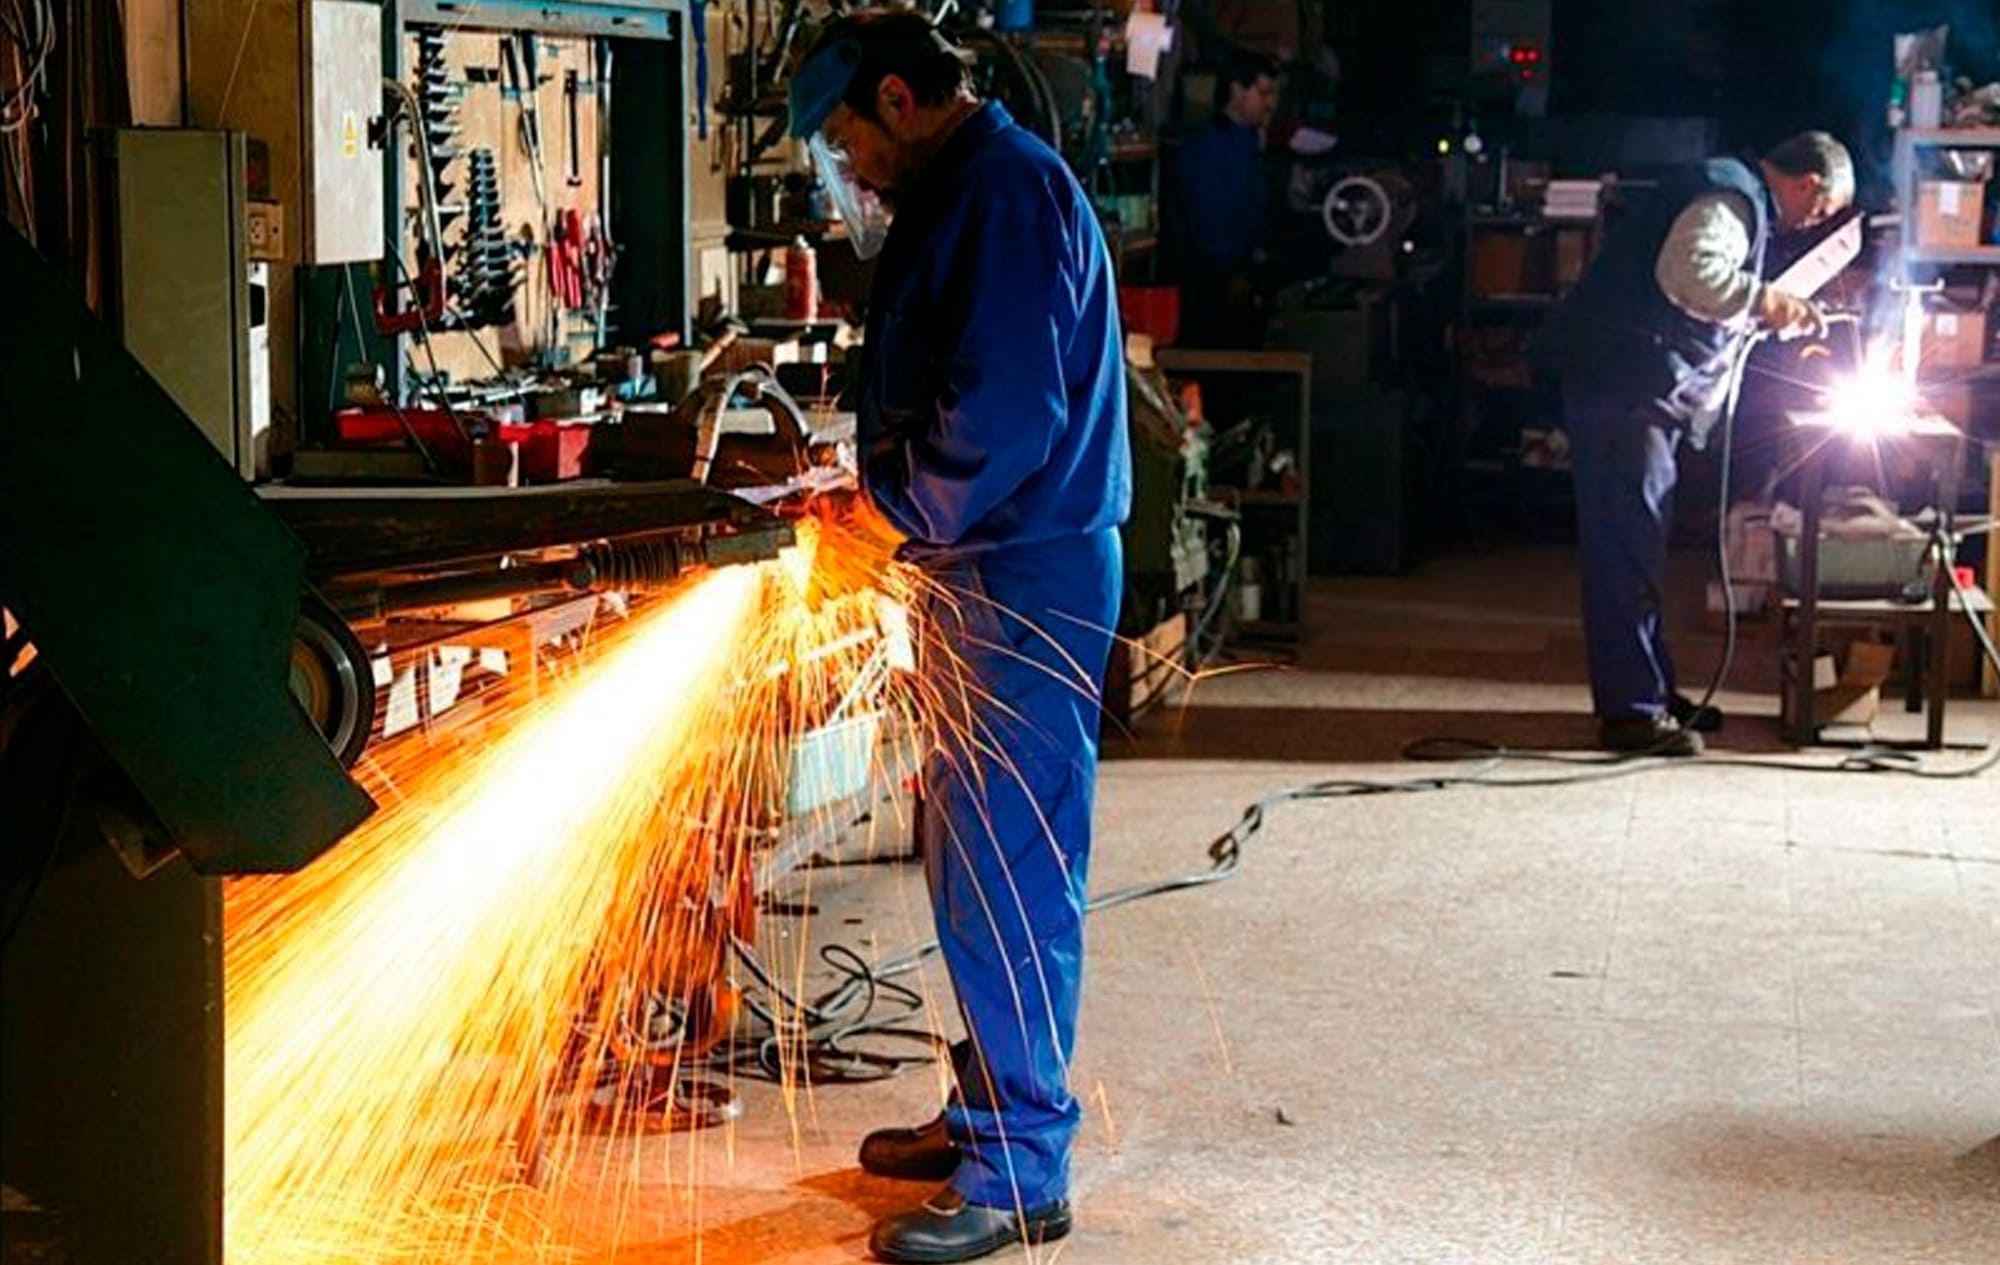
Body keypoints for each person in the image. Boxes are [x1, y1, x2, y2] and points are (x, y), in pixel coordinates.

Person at [788, 11, 1131, 1263]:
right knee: (967, 854)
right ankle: (987, 1108)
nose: (850, 167)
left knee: (1011, 869)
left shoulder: (1002, 193)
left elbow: (1002, 411)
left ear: (895, 97)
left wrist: (888, 502)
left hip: (1019, 570)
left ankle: (1021, 1169)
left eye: (845, 139)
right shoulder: (965, 190)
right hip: (977, 564)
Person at [1532, 131, 1854, 757]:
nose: (1813, 223)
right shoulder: (1732, 198)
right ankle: (1631, 714)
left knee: (1641, 547)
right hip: (1624, 389)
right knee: (1627, 550)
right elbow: (1689, 274)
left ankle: (1650, 690)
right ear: (1809, 184)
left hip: (1635, 392)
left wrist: (1767, 313)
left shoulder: (1736, 196)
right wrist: (1765, 299)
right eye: (1822, 211)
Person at [1168, 50, 1279, 347]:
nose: (1270, 103)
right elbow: (1209, 217)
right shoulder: (1208, 148)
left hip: (1241, 273)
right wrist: (1234, 267)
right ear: (1237, 90)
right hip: (1211, 277)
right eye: (1263, 92)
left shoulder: (1251, 144)